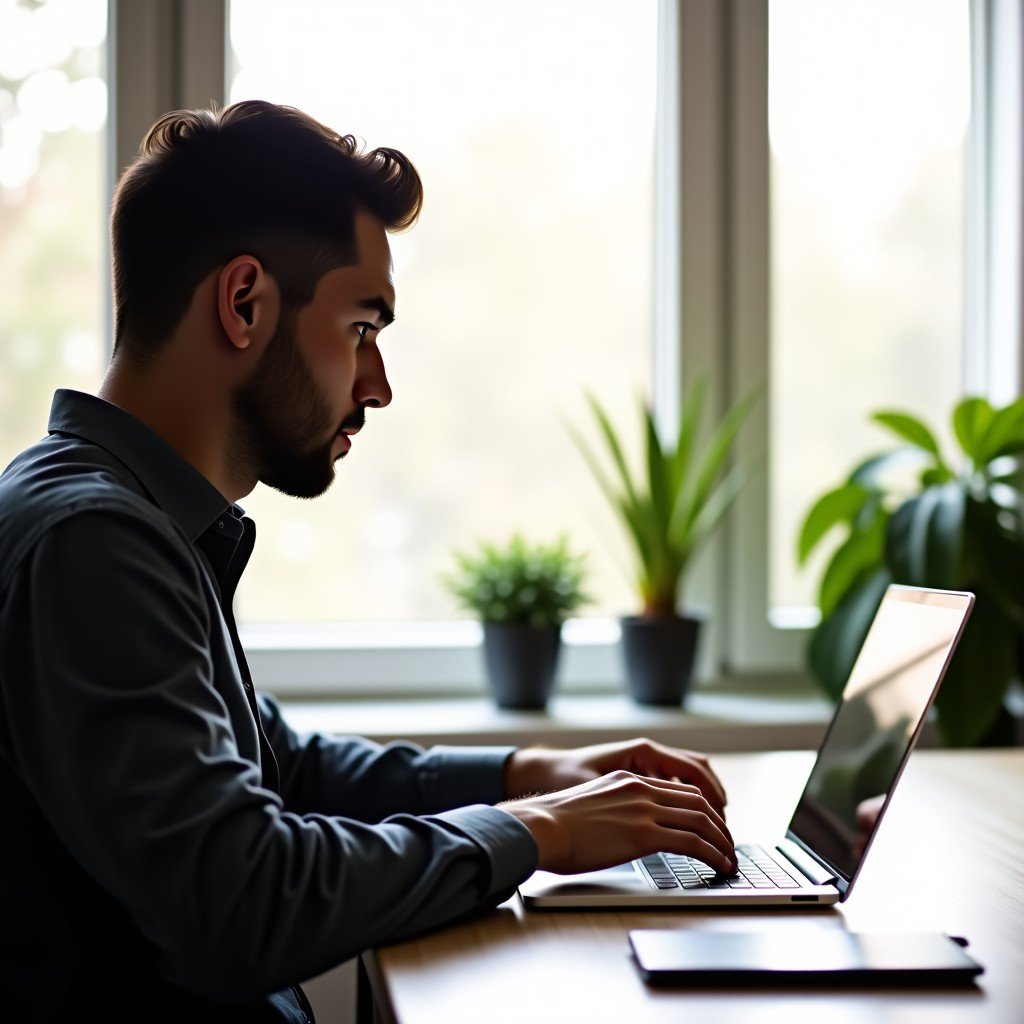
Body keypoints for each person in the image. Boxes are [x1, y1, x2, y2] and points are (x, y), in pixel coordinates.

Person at [0, 101, 737, 1023]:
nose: (378, 384)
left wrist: (526, 776)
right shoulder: (92, 543)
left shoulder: (138, 520)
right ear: (244, 303)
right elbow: (243, 901)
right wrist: (534, 833)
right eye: (361, 327)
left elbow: (279, 769)